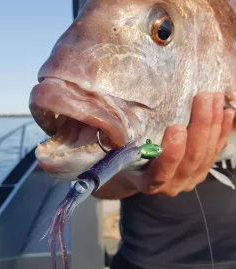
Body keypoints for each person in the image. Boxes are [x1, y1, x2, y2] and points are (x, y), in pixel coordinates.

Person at [72, 2, 236, 269]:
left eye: (164, 30)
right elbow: (97, 179)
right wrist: (136, 180)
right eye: (163, 31)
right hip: (149, 257)